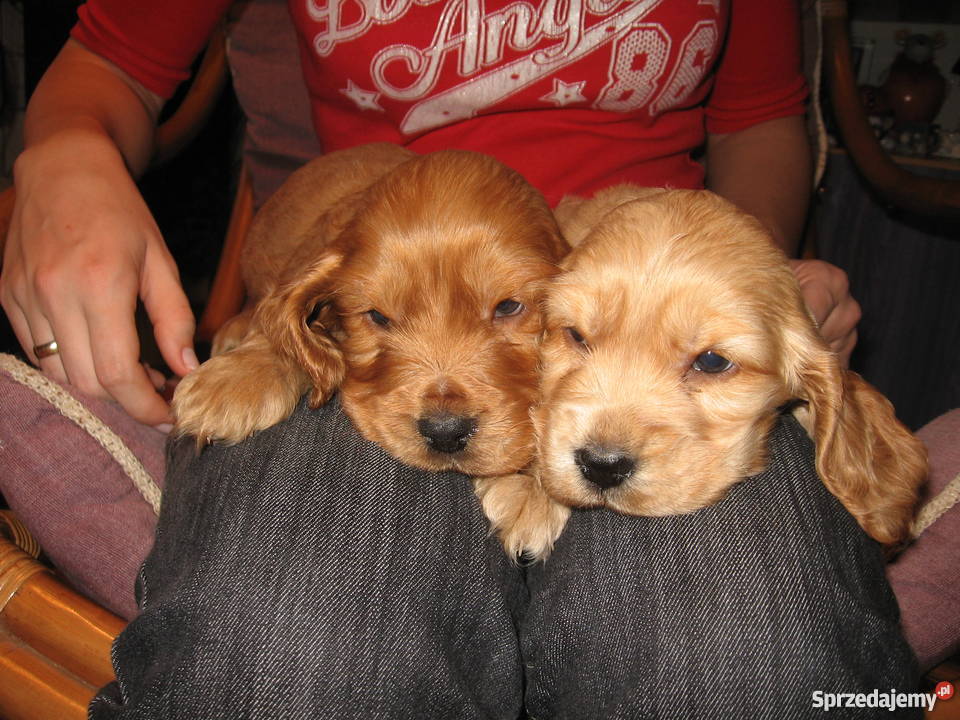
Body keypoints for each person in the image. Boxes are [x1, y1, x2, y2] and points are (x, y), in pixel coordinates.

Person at [2, 1, 915, 718]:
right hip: (374, 283)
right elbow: (107, 64)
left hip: (650, 292)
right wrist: (65, 154)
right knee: (286, 653)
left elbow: (761, 120)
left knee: (752, 668)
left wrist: (734, 290)